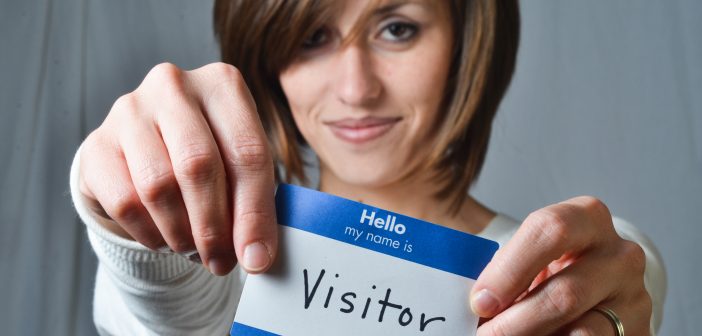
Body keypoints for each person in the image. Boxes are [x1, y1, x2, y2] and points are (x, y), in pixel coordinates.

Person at [70, 0, 666, 335]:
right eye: (312, 38)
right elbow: (165, 308)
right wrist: (121, 208)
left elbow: (622, 281)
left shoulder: (573, 267)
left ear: (467, 38)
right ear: (267, 57)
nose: (356, 90)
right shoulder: (206, 262)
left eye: (397, 29)